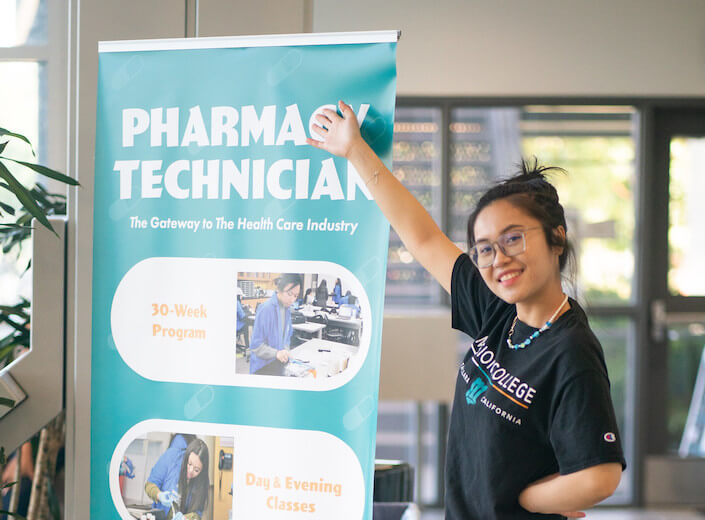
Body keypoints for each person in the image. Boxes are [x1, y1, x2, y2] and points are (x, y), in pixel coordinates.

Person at [308, 101, 625, 519]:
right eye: (485, 249)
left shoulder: (571, 351)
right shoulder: (499, 311)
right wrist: (354, 151)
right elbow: (422, 238)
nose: (499, 259)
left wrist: (528, 499)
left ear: (556, 238)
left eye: (514, 239)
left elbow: (599, 476)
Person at [249, 273, 302, 374]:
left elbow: (287, 336)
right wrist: (276, 353)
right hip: (263, 367)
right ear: (279, 289)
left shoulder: (287, 309)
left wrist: (285, 351)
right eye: (289, 294)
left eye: (295, 296)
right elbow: (256, 346)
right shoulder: (266, 309)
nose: (292, 299)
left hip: (278, 363)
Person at [145, 436, 210, 520]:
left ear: (202, 471)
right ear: (186, 457)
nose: (190, 471)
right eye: (189, 464)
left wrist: (186, 518)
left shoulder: (203, 483)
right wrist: (159, 495)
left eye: (196, 470)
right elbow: (149, 485)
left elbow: (198, 513)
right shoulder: (171, 457)